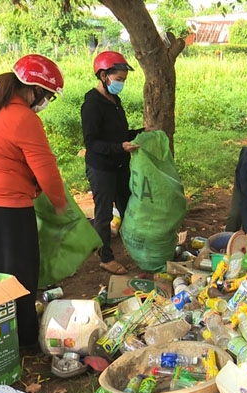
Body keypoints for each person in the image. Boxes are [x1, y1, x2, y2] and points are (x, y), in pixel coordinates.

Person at [0, 54, 68, 348]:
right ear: (32, 89)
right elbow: (45, 168)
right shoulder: (23, 118)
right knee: (19, 275)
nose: (45, 102)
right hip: (5, 206)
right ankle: (26, 344)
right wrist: (59, 202)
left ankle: (1, 338)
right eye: (46, 96)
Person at [81, 51, 144, 275]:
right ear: (103, 76)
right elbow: (92, 142)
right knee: (104, 214)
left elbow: (119, 133)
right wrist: (119, 147)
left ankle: (135, 248)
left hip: (120, 165)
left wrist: (140, 133)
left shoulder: (114, 100)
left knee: (128, 207)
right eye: (118, 80)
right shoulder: (92, 104)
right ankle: (105, 258)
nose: (121, 84)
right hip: (101, 168)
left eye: (123, 80)